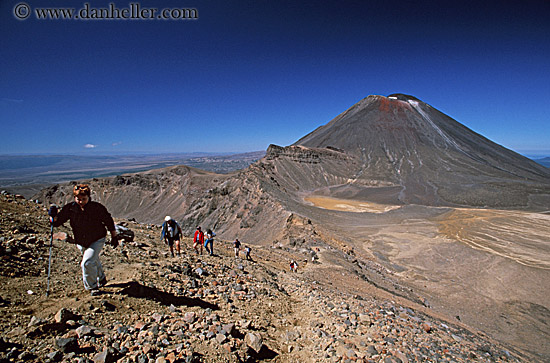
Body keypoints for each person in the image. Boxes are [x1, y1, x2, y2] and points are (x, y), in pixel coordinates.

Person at [49, 184, 118, 296]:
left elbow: (108, 221)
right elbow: (57, 222)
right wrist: (52, 216)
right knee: (92, 259)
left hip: (97, 238)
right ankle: (101, 278)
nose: (80, 201)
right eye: (78, 199)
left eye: (83, 199)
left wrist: (114, 236)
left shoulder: (96, 208)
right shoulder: (70, 208)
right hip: (81, 241)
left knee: (87, 262)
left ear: (88, 197)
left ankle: (92, 287)